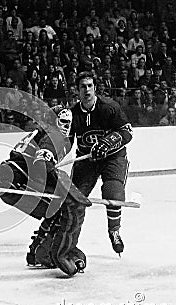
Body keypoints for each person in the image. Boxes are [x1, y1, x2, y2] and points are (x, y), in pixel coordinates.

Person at [0, 106, 92, 276]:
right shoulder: (54, 136)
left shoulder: (38, 132)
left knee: (55, 209)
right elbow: (42, 163)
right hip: (17, 182)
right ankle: (44, 253)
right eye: (63, 122)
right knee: (64, 209)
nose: (66, 126)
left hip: (11, 181)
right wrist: (65, 190)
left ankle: (37, 252)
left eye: (68, 122)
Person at [67, 71, 132, 255]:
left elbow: (127, 132)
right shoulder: (72, 114)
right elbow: (66, 140)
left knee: (113, 192)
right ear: (77, 90)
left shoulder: (109, 107)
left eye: (89, 86)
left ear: (95, 88)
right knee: (74, 200)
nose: (86, 90)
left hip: (113, 157)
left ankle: (114, 231)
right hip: (87, 159)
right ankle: (68, 243)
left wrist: (108, 142)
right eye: (82, 86)